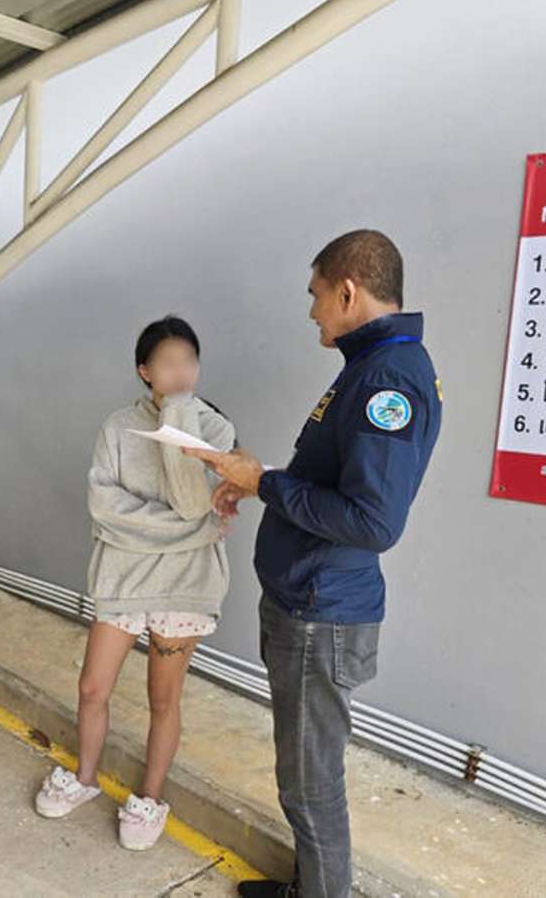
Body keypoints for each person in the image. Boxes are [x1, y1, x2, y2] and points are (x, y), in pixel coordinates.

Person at [187, 231, 442, 898]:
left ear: (348, 291)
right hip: (308, 601)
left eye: (316, 296)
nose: (312, 312)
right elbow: (336, 484)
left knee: (309, 782)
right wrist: (258, 479)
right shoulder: (372, 365)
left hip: (321, 612)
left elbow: (373, 521)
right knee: (303, 772)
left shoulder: (387, 376)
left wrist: (264, 482)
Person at [34, 316, 234, 851]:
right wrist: (186, 528)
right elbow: (105, 507)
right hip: (123, 581)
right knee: (92, 687)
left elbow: (199, 504)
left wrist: (179, 419)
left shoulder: (214, 429)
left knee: (162, 699)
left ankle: (148, 797)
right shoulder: (117, 427)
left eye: (189, 361)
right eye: (168, 363)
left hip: (183, 586)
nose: (181, 372)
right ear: (145, 370)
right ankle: (85, 778)